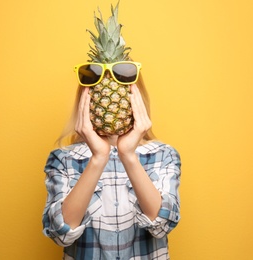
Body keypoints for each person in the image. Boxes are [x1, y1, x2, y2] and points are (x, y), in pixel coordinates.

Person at [41, 70, 181, 259]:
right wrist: (98, 158)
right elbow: (61, 234)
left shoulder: (163, 154)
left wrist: (128, 156)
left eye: (120, 81)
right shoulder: (63, 159)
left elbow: (162, 226)